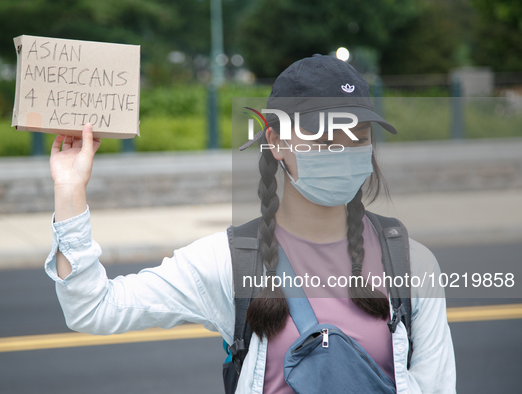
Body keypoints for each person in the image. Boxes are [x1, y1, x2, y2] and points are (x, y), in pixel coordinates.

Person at [46, 55, 456, 394]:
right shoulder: (230, 261)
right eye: (323, 137)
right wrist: (69, 190)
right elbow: (94, 308)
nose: (342, 150)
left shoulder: (412, 262)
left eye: (357, 135)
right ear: (275, 141)